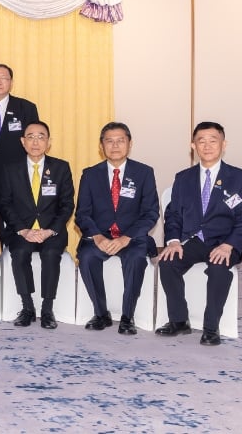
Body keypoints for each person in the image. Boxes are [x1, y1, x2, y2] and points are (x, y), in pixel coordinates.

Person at [156, 121, 242, 346]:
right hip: (194, 240)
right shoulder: (183, 178)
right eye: (201, 141)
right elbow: (173, 215)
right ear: (193, 146)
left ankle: (211, 328)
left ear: (223, 144)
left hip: (224, 242)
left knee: (219, 269)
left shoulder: (240, 178)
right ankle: (179, 320)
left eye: (213, 140)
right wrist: (173, 241)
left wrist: (229, 245)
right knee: (167, 263)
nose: (207, 146)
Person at [75, 122, 160, 335]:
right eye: (109, 141)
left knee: (135, 259)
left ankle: (127, 316)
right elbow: (82, 214)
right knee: (87, 257)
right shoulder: (90, 174)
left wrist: (126, 238)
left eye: (120, 141)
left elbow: (150, 213)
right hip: (99, 236)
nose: (115, 146)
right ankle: (101, 313)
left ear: (129, 144)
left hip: (132, 238)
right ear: (101, 146)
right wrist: (97, 237)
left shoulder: (144, 173)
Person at [0, 121, 74, 330]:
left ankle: (47, 309)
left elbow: (67, 204)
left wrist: (50, 230)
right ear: (23, 142)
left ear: (48, 143)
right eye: (30, 137)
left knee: (51, 255)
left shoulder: (60, 167)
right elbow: (4, 204)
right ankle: (28, 307)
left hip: (51, 231)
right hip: (21, 230)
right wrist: (23, 230)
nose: (36, 142)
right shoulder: (10, 169)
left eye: (41, 137)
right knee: (20, 253)